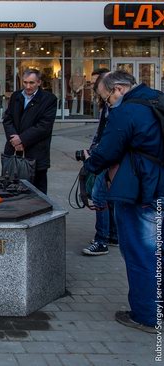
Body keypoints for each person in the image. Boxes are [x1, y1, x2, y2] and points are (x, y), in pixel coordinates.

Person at [84, 69, 163, 333]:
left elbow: (107, 151)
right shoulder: (157, 99)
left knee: (141, 252)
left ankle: (147, 315)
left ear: (119, 89)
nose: (107, 104)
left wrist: (90, 164)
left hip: (141, 189)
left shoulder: (127, 110)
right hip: (158, 185)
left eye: (106, 98)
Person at [82, 68, 119, 256]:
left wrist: (96, 155)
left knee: (98, 196)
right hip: (103, 156)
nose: (95, 87)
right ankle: (112, 235)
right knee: (106, 197)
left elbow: (111, 135)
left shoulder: (117, 106)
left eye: (98, 83)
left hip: (108, 158)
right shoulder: (107, 105)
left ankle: (101, 240)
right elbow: (101, 131)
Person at [2, 68, 57, 194]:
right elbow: (7, 119)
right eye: (25, 82)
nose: (28, 86)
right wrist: (14, 140)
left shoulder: (49, 99)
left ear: (39, 82)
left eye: (31, 83)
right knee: (11, 189)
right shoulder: (16, 96)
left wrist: (22, 139)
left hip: (36, 154)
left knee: (38, 193)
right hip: (14, 153)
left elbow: (44, 126)